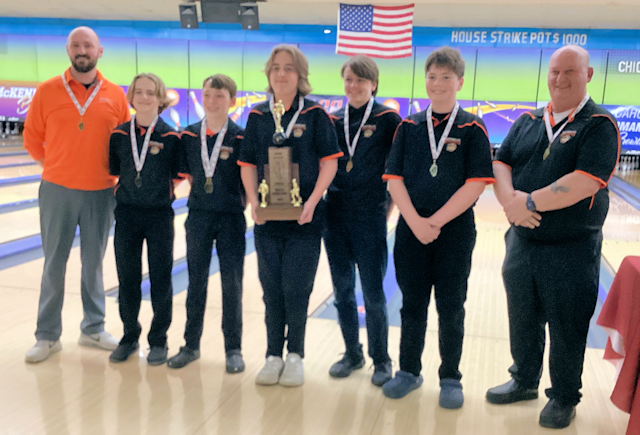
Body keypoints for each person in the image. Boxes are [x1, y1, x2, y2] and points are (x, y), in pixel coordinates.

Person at [486, 45, 620, 429]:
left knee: (566, 324)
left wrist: (525, 201)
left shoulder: (599, 124)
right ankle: (524, 380)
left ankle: (563, 397)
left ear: (589, 74)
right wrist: (510, 202)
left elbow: (585, 181)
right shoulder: (528, 120)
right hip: (523, 241)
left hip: (571, 246)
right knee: (522, 316)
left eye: (570, 72)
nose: (560, 79)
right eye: (555, 72)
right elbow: (501, 162)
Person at [382, 47, 494, 407]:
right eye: (432, 76)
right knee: (411, 304)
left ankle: (450, 377)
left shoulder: (473, 127)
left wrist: (436, 222)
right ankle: (409, 371)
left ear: (459, 81)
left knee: (451, 306)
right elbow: (393, 178)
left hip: (454, 232)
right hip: (411, 229)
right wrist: (415, 222)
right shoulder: (409, 125)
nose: (438, 83)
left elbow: (476, 183)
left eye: (446, 77)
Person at [23, 26, 130, 363]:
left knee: (93, 265)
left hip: (101, 192)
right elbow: (31, 139)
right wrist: (56, 167)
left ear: (100, 52)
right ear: (68, 50)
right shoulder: (47, 91)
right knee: (54, 263)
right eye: (76, 45)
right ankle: (47, 335)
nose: (82, 50)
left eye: (88, 45)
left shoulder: (115, 94)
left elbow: (125, 144)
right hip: (57, 191)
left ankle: (93, 328)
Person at [238, 44, 341, 387]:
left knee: (297, 287)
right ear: (269, 73)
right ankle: (272, 355)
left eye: (289, 68)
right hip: (268, 219)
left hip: (305, 219)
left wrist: (312, 202)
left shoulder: (315, 116)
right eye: (276, 68)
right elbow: (248, 164)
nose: (282, 74)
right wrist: (254, 202)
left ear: (300, 76)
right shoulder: (256, 116)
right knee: (271, 289)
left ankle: (295, 353)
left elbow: (329, 163)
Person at [323, 55, 401, 386]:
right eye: (348, 80)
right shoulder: (333, 118)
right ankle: (352, 353)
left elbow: (398, 170)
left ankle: (381, 360)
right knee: (341, 291)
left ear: (373, 83)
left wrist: (388, 208)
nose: (353, 86)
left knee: (372, 294)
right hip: (335, 213)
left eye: (360, 80)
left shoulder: (388, 118)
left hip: (370, 215)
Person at [167, 74, 246, 372]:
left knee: (232, 284)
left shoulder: (240, 136)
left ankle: (233, 349)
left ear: (232, 101)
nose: (212, 101)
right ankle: (190, 345)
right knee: (195, 282)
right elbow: (185, 175)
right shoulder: (188, 136)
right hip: (198, 216)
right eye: (208, 95)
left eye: (220, 96)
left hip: (231, 218)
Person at [108, 73, 181, 365]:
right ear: (132, 96)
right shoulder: (118, 134)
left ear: (160, 98)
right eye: (139, 92)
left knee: (161, 278)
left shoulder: (171, 137)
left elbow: (178, 176)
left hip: (159, 216)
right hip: (126, 214)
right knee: (127, 278)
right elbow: (115, 169)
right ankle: (129, 336)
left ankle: (159, 340)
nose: (145, 97)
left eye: (151, 93)